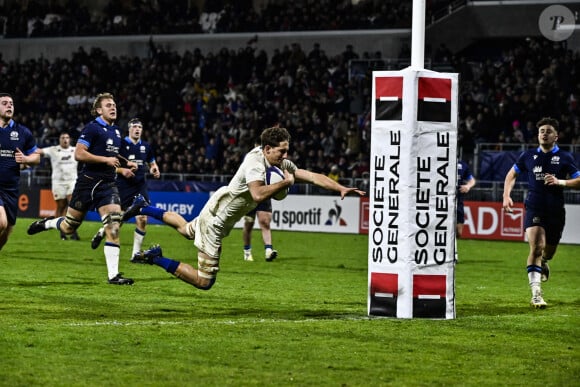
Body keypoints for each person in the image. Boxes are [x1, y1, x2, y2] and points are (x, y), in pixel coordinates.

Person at [126, 126, 366, 291]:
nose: (286, 155)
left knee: (187, 229)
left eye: (287, 150)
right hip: (216, 222)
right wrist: (285, 182)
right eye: (282, 150)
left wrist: (340, 188)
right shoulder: (255, 163)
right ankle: (155, 258)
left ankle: (143, 207)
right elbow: (257, 194)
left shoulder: (278, 162)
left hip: (219, 206)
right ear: (267, 149)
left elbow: (312, 176)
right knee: (204, 281)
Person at [27, 92, 138, 285]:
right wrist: (106, 160)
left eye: (114, 105)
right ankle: (46, 224)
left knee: (113, 226)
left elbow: (112, 153)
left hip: (108, 186)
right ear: (98, 110)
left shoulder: (117, 131)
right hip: (87, 183)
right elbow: (79, 154)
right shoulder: (92, 128)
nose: (113, 108)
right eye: (108, 105)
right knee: (69, 227)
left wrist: (127, 162)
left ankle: (113, 275)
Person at [502, 117, 580, 309]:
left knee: (549, 251)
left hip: (555, 210)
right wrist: (506, 196)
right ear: (538, 135)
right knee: (536, 247)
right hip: (534, 206)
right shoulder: (527, 156)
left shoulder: (565, 157)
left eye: (548, 131)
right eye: (541, 131)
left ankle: (545, 261)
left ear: (556, 136)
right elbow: (511, 175)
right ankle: (536, 294)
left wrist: (560, 182)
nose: (544, 133)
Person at [90, 118, 161, 259]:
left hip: (140, 186)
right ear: (129, 129)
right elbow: (109, 165)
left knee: (142, 218)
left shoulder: (146, 146)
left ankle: (135, 254)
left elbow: (152, 162)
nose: (137, 129)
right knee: (118, 219)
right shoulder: (121, 144)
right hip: (123, 186)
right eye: (134, 127)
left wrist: (154, 168)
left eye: (139, 127)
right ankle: (101, 231)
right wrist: (122, 171)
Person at [0, 93, 41, 251]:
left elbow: (36, 158)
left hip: (12, 189)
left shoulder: (23, 132)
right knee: (1, 223)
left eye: (11, 103)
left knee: (7, 231)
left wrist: (25, 159)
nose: (9, 106)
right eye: (4, 103)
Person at [37, 131, 80, 241]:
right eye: (62, 138)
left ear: (70, 139)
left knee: (72, 206)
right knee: (61, 206)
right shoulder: (53, 150)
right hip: (58, 183)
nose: (65, 139)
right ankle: (62, 231)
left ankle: (73, 231)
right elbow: (39, 151)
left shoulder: (75, 150)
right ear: (59, 140)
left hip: (72, 182)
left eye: (67, 137)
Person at [456, 159, 476, 238]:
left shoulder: (462, 164)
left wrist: (468, 186)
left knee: (459, 233)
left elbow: (472, 180)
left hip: (458, 201)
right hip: (444, 201)